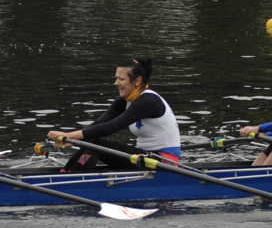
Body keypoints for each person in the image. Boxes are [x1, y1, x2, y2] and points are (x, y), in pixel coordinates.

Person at [47, 56, 181, 172]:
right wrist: (74, 139)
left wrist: (69, 136)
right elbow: (100, 124)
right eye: (116, 78)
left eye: (121, 79)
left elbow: (111, 127)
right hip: (144, 157)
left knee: (96, 143)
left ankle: (71, 180)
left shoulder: (148, 101)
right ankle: (66, 172)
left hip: (163, 162)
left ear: (138, 81)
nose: (116, 83)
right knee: (92, 139)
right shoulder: (126, 100)